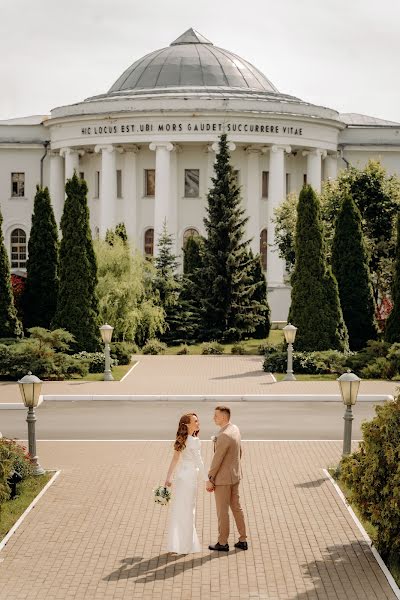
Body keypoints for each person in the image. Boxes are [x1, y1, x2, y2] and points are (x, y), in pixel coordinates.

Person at [164, 412, 208, 554]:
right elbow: (199, 462)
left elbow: (175, 459)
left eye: (197, 420)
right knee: (189, 511)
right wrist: (207, 479)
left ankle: (175, 544)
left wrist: (168, 478)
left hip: (180, 477)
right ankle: (185, 546)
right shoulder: (195, 441)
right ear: (187, 425)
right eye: (195, 421)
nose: (198, 422)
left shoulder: (182, 439)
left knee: (178, 510)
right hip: (189, 479)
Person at [206, 405, 248, 552]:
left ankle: (223, 542)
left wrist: (210, 478)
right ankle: (243, 540)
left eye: (216, 415)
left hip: (223, 480)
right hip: (235, 476)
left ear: (224, 417)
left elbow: (217, 460)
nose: (214, 418)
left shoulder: (224, 436)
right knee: (236, 507)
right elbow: (240, 451)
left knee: (222, 511)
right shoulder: (234, 429)